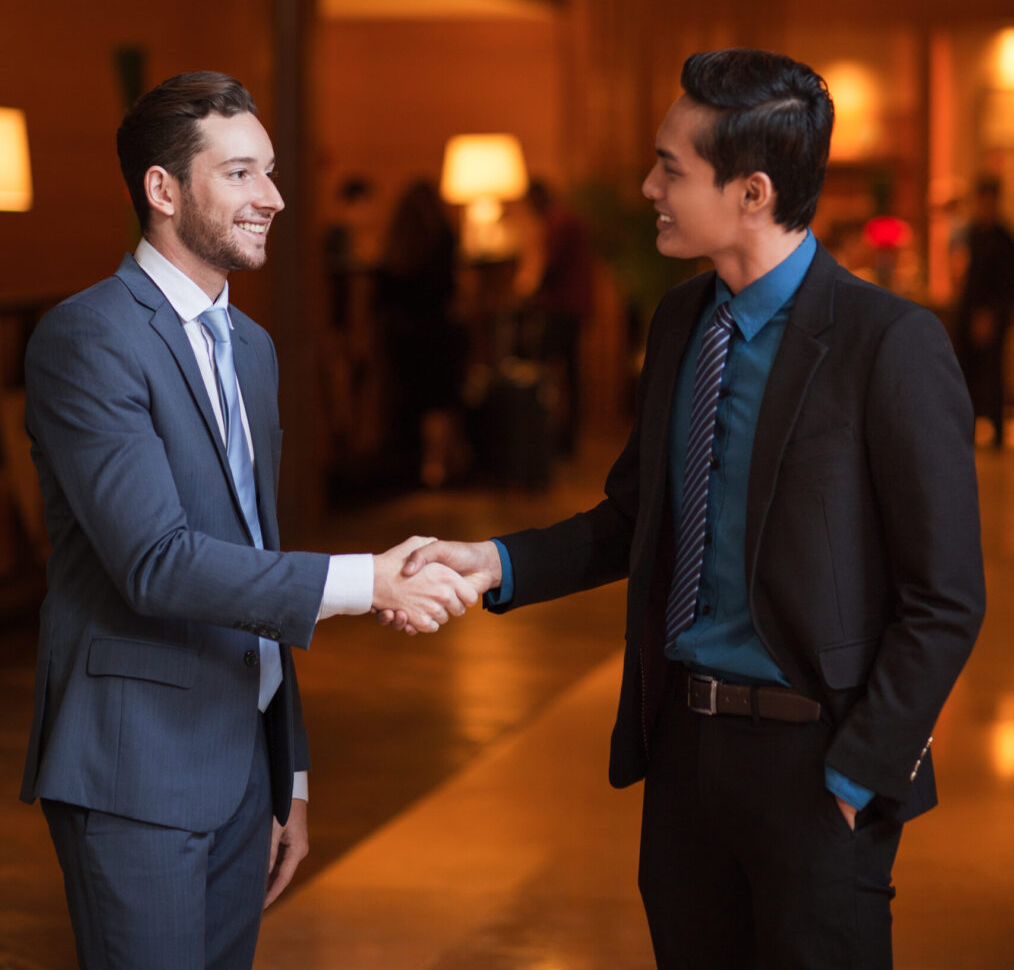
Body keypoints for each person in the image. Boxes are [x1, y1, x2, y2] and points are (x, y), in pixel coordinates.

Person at [388, 49, 985, 968]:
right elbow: (637, 518)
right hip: (685, 758)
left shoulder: (888, 344)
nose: (647, 186)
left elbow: (944, 597)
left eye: (671, 168)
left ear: (752, 192)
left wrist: (863, 768)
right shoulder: (680, 325)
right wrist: (495, 563)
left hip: (817, 767)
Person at [19, 71, 479, 970]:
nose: (271, 197)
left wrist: (290, 774)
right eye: (239, 174)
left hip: (245, 770)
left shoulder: (254, 348)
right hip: (135, 770)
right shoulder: (88, 338)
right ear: (162, 189)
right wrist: (366, 580)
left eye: (269, 171)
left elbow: (252, 558)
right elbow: (156, 562)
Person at [375, 179, 468, 487]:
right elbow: (452, 290)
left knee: (413, 404)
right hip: (438, 334)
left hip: (402, 339)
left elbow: (381, 300)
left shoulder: (395, 247)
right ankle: (437, 465)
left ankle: (421, 466)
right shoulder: (443, 240)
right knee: (440, 404)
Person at [522, 179, 596, 455]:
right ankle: (566, 437)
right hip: (576, 305)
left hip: (563, 307)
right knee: (570, 372)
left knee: (549, 371)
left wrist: (531, 295)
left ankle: (553, 437)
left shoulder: (558, 222)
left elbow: (551, 266)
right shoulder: (566, 218)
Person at [952, 174, 1014, 448]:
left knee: (992, 375)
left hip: (993, 315)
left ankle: (997, 432)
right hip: (967, 312)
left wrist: (990, 314)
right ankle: (967, 427)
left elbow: (1005, 283)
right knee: (966, 371)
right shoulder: (972, 234)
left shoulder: (1004, 239)